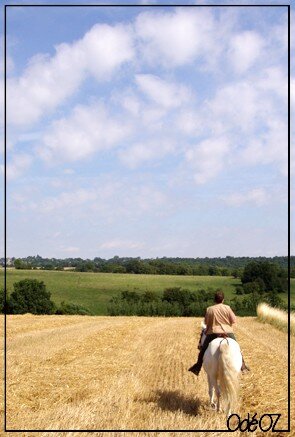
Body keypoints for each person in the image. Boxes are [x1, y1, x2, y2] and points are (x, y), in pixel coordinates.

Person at [188, 290, 250, 376]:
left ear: (214, 300)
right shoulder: (227, 308)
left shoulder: (209, 309)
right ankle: (243, 366)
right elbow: (233, 320)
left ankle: (197, 367)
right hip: (227, 332)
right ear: (223, 300)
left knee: (203, 350)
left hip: (213, 333)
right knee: (237, 347)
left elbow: (206, 322)